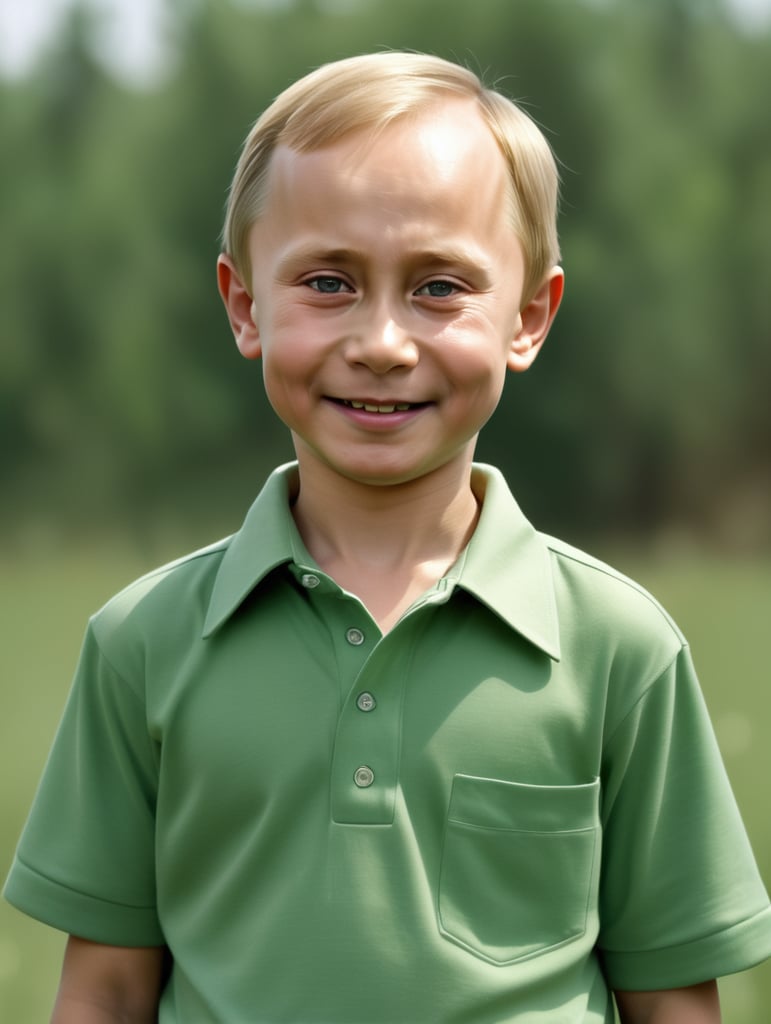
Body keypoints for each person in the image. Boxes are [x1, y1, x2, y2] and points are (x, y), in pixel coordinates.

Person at [4, 51, 770, 1024]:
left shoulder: (621, 647)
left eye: (439, 287)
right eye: (328, 282)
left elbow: (675, 1004)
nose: (382, 341)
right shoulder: (142, 642)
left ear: (529, 316)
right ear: (245, 305)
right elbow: (104, 993)